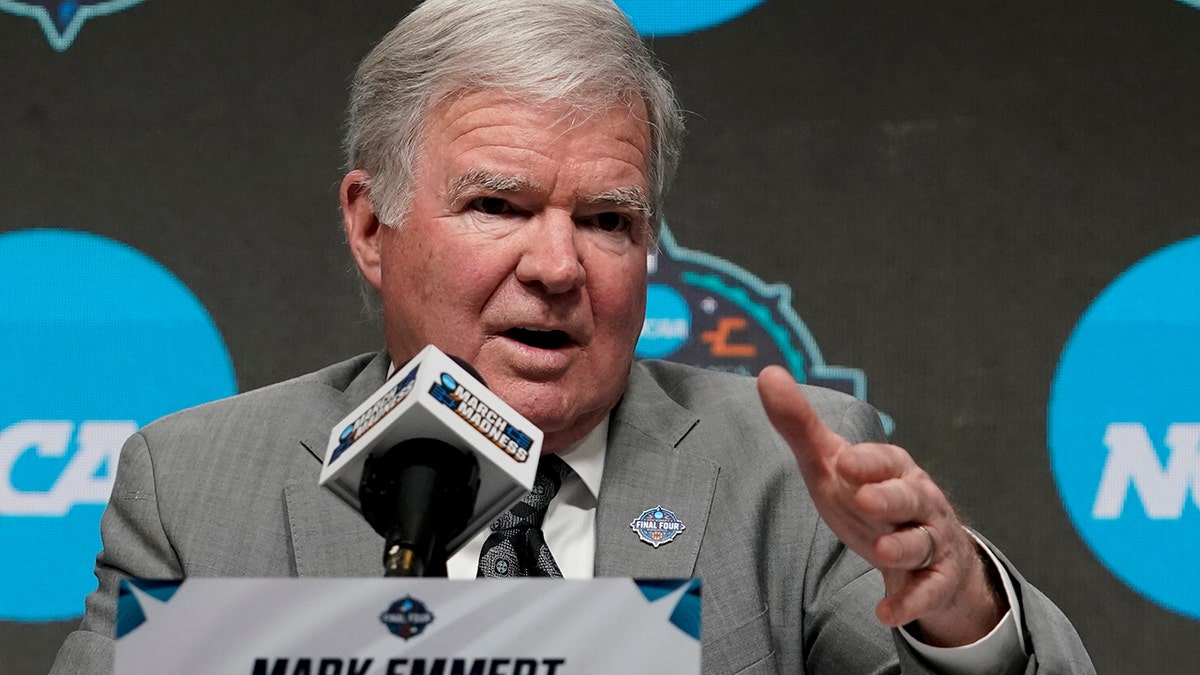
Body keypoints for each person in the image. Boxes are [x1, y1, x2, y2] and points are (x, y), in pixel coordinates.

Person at [51, 0, 1094, 672]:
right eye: (498, 206)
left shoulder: (783, 472)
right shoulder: (193, 487)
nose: (558, 268)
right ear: (373, 227)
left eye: (607, 221)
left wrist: (959, 617)